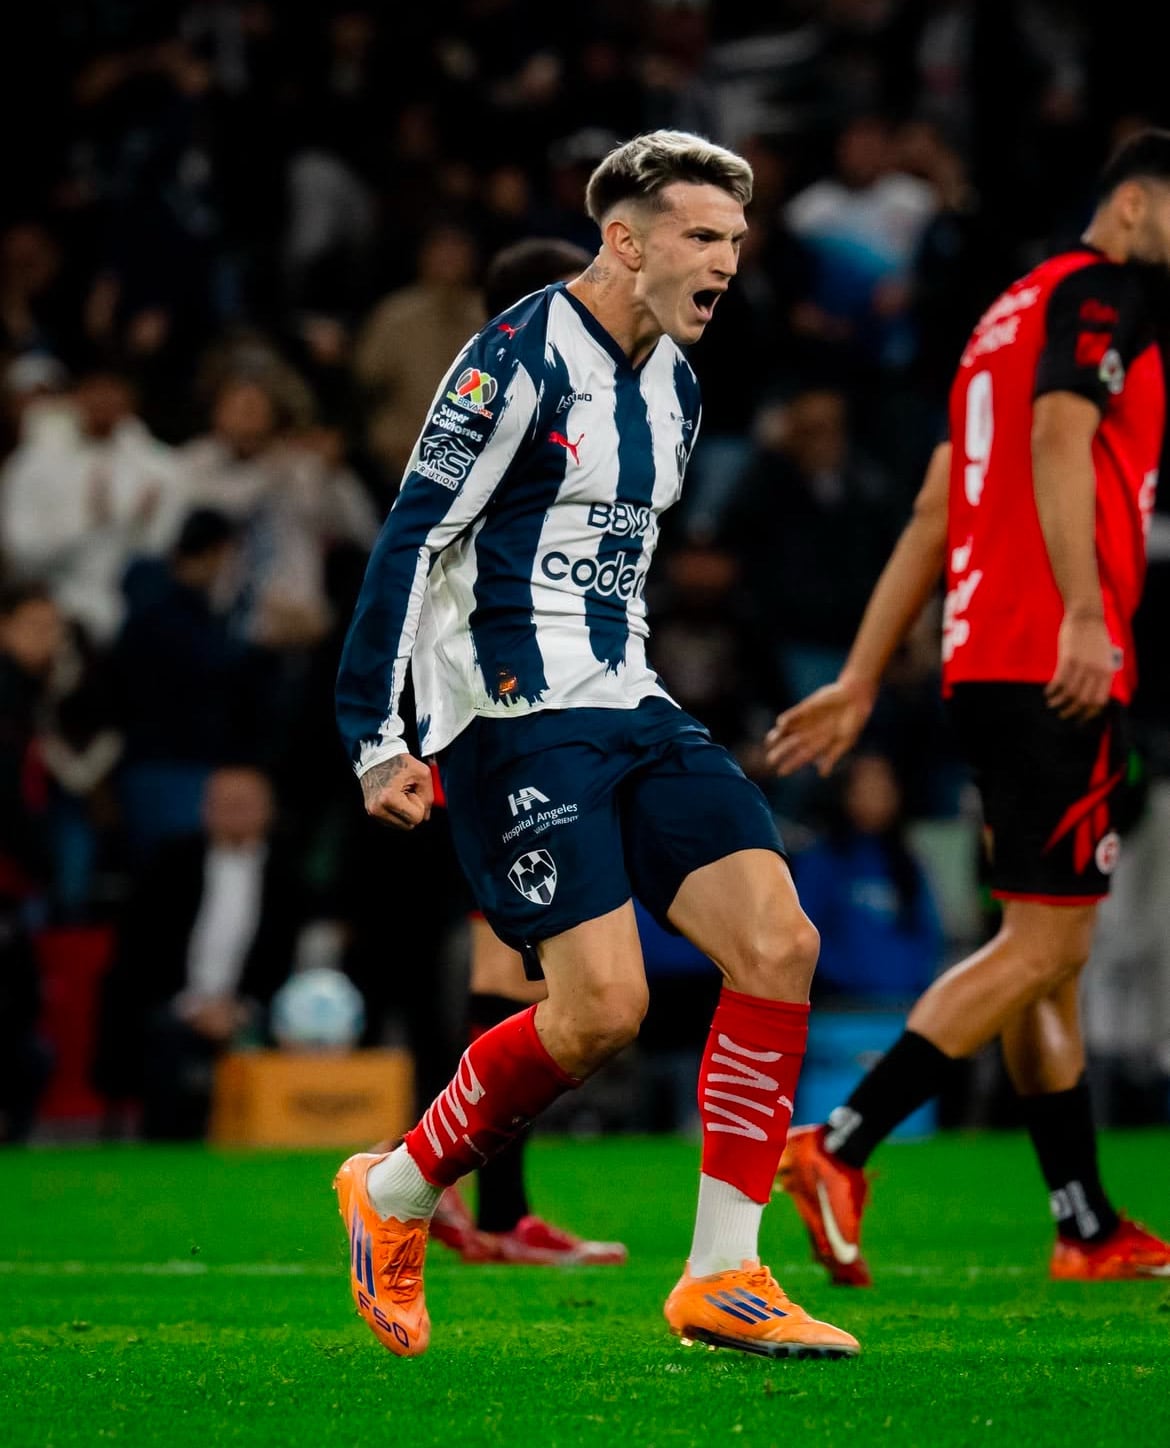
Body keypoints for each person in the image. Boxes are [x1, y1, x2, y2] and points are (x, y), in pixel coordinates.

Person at [332, 130, 858, 1360]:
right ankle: (396, 1190)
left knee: (779, 941)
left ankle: (725, 1274)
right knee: (601, 1010)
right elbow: (409, 542)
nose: (727, 258)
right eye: (701, 235)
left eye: (735, 237)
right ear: (624, 239)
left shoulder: (675, 379)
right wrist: (377, 735)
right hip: (514, 720)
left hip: (630, 700)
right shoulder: (509, 362)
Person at [766, 128, 1170, 1287]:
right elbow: (1058, 434)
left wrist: (857, 673)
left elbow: (939, 508)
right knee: (1049, 939)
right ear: (1135, 207)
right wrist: (1089, 617)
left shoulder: (1003, 317)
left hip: (984, 656)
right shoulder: (1108, 294)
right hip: (1057, 657)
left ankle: (1085, 1221)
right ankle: (838, 1144)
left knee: (1046, 949)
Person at [425, 235, 628, 1267]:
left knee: (515, 963)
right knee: (516, 965)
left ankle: (481, 1204)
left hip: (518, 714)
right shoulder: (500, 414)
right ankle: (471, 1201)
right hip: (496, 720)